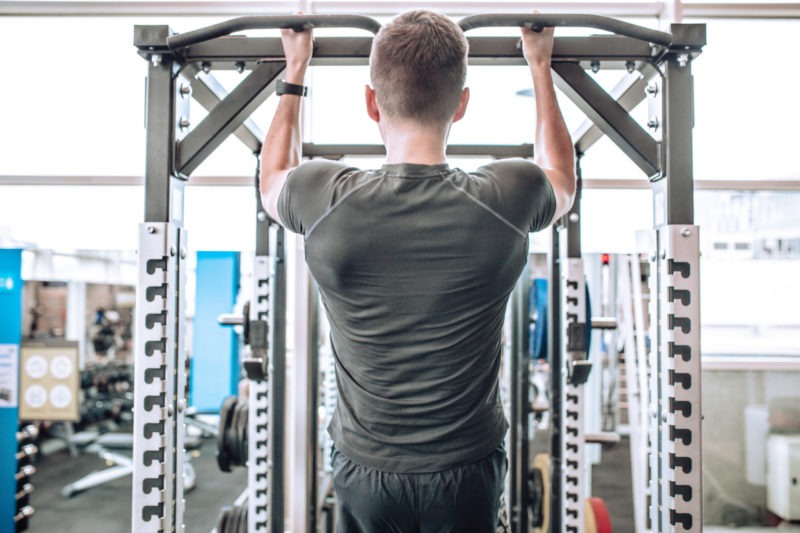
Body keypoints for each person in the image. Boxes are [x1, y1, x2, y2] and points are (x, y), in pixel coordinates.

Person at [259, 9, 575, 532]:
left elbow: (272, 178)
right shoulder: (508, 194)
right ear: (462, 105)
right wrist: (539, 66)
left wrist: (296, 69)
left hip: (366, 472)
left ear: (370, 102)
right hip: (467, 471)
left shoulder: (322, 195)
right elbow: (562, 177)